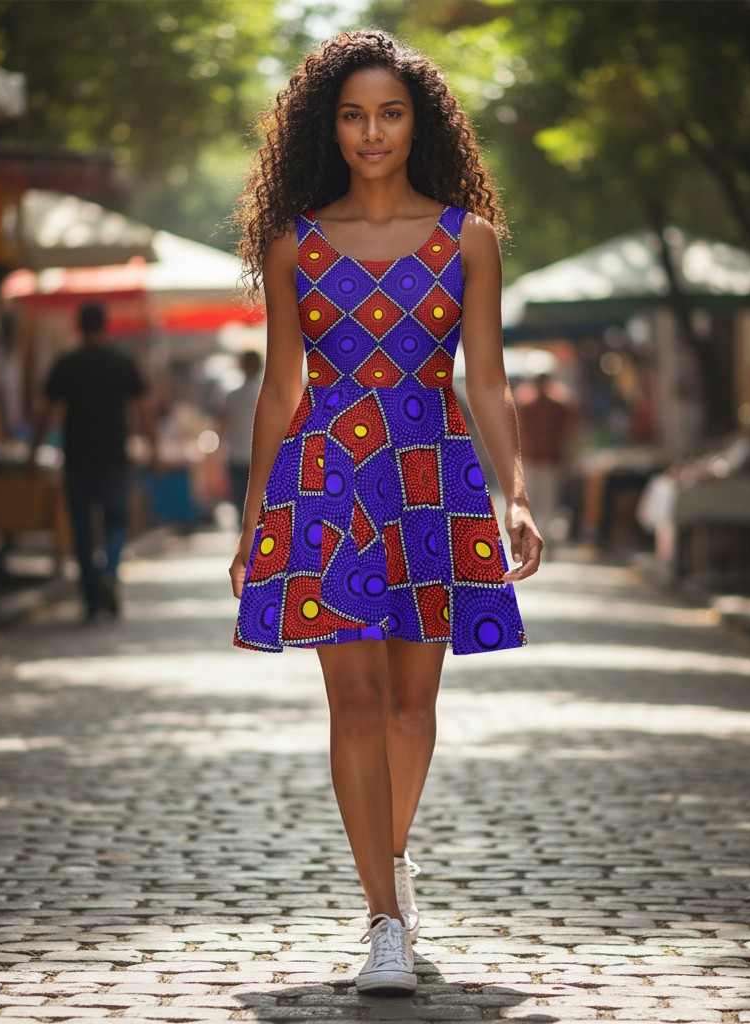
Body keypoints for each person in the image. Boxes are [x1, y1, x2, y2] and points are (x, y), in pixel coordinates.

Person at [228, 30, 542, 994]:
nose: (372, 132)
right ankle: (384, 921)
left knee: (413, 706)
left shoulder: (469, 239)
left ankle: (394, 862)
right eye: (355, 115)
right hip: (325, 480)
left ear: (420, 124)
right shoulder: (296, 242)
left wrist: (516, 495)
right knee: (355, 702)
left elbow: (485, 383)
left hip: (429, 479)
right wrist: (252, 528)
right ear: (329, 126)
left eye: (391, 114)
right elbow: (282, 386)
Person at [29, 303, 158, 623]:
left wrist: (34, 450)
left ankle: (91, 599)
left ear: (79, 327)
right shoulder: (121, 363)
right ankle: (109, 573)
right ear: (105, 326)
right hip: (114, 459)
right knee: (116, 523)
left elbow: (46, 413)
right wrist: (156, 449)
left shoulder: (67, 364)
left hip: (77, 461)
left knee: (83, 531)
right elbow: (143, 410)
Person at [513, 368, 577, 553]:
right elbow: (521, 433)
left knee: (547, 503)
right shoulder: (528, 404)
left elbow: (565, 434)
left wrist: (566, 459)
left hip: (549, 460)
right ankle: (530, 541)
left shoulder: (558, 405)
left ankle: (544, 540)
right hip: (532, 460)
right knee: (532, 502)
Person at [218, 349, 264, 526]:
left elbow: (222, 423)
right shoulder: (231, 394)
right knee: (244, 500)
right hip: (240, 454)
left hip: (253, 455)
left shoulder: (260, 392)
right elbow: (223, 423)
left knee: (246, 500)